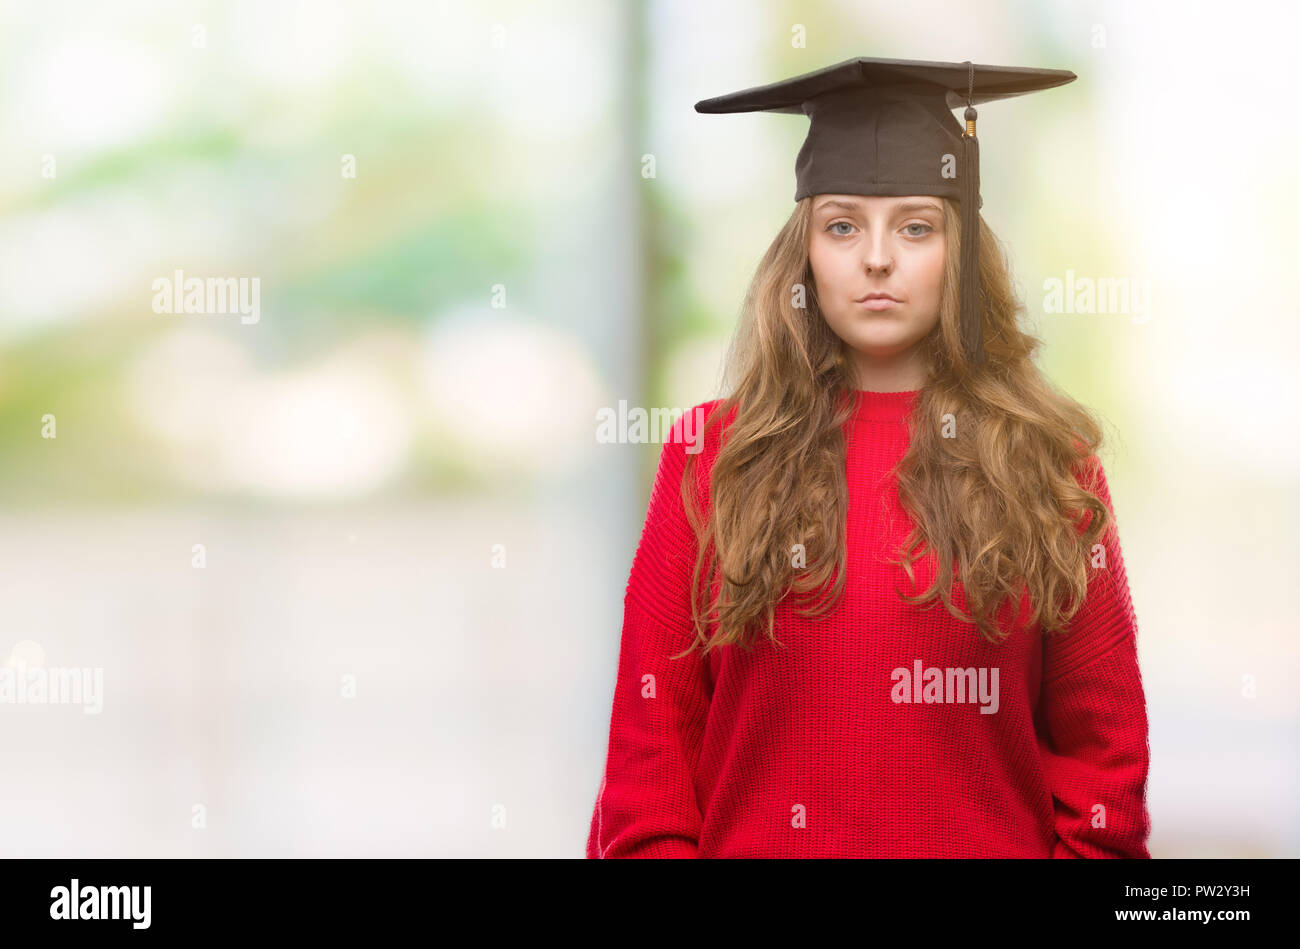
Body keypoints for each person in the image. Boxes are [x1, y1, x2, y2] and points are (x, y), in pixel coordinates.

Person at [586, 57, 1151, 858]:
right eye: (843, 225)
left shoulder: (1051, 466)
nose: (876, 258)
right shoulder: (709, 457)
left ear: (960, 251)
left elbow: (1104, 780)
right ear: (804, 252)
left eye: (916, 226)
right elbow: (648, 777)